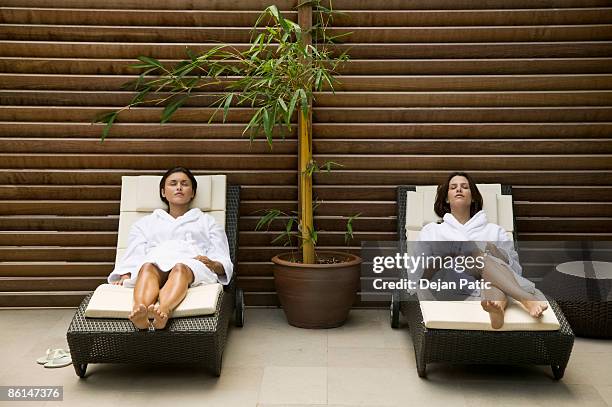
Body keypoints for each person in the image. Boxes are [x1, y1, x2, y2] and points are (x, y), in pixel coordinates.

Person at [107, 167, 233, 330]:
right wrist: (125, 274)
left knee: (180, 269)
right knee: (146, 268)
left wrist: (215, 264)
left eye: (184, 184)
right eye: (173, 184)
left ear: (193, 193)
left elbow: (221, 254)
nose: (179, 187)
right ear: (163, 192)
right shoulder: (146, 223)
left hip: (191, 264)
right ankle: (140, 311)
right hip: (156, 260)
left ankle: (163, 311)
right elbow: (134, 253)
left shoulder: (207, 222)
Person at [417, 172, 547, 329]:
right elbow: (420, 272)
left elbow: (514, 269)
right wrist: (446, 257)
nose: (459, 189)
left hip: (490, 285)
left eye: (465, 187)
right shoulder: (432, 231)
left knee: (490, 275)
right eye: (453, 187)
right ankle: (526, 298)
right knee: (477, 254)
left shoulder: (495, 230)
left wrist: (494, 251)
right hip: (450, 283)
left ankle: (496, 309)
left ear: (473, 198)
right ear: (446, 197)